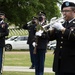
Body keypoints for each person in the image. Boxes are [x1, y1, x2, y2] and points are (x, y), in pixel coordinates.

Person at [46, 1, 75, 75]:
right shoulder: (62, 24)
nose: (64, 13)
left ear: (74, 11)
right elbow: (50, 38)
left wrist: (62, 29)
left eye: (67, 11)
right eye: (63, 11)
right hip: (59, 63)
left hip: (71, 63)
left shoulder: (62, 26)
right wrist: (50, 30)